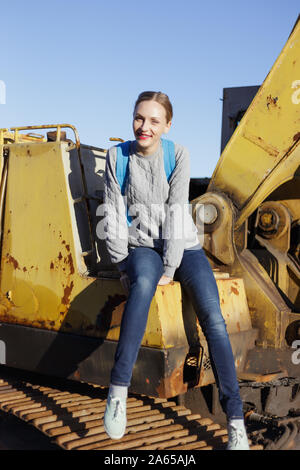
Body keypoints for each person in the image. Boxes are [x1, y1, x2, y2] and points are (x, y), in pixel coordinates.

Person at [103, 91, 250, 450]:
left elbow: (174, 211)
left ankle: (235, 422)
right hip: (142, 247)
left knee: (213, 318)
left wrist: (171, 266)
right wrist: (123, 261)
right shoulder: (117, 156)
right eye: (139, 118)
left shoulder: (177, 154)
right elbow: (112, 210)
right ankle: (118, 391)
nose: (144, 126)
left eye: (154, 120)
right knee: (141, 287)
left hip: (183, 246)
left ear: (167, 125)